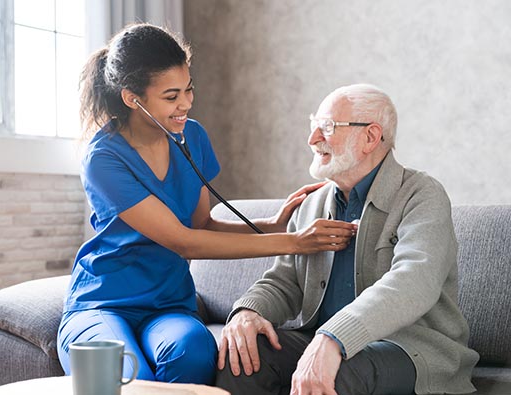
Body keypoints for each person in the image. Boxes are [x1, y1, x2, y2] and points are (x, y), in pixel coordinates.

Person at [57, 23, 358, 385]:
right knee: (122, 374)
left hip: (168, 305)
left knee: (194, 354)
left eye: (188, 90)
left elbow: (201, 225)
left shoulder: (192, 136)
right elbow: (182, 241)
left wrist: (274, 225)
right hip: (104, 301)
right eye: (171, 97)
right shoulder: (103, 158)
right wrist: (294, 242)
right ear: (132, 99)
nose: (185, 104)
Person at [216, 84, 479, 395]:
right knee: (244, 355)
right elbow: (284, 282)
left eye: (326, 127)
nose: (312, 139)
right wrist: (249, 312)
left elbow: (414, 283)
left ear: (370, 136)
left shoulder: (422, 195)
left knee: (342, 372)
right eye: (314, 126)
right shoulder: (312, 203)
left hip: (409, 348)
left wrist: (334, 337)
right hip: (324, 340)